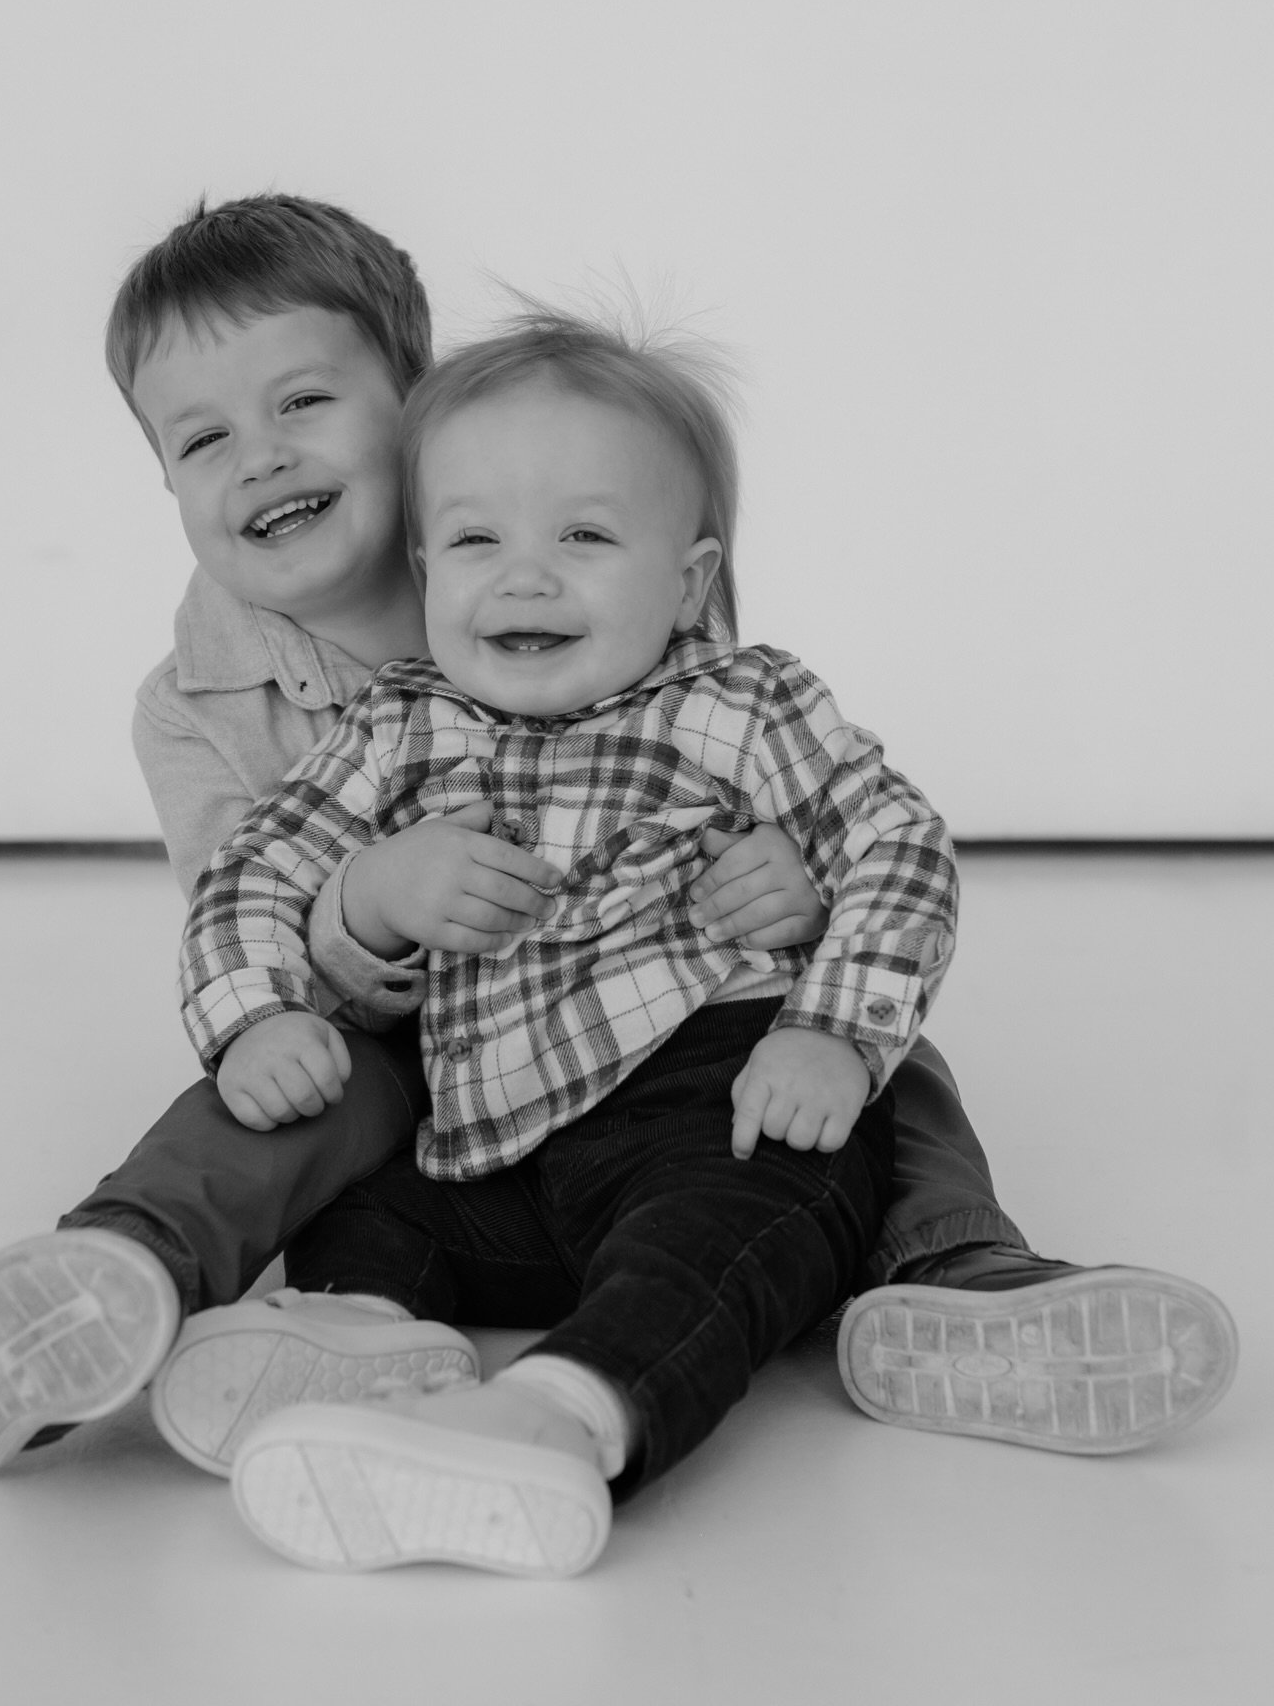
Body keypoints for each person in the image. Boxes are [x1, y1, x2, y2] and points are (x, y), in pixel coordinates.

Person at [0, 194, 1236, 1489]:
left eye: (303, 403)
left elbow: (800, 789)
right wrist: (365, 907)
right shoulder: (226, 709)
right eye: (203, 440)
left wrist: (801, 891)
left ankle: (953, 1271)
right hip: (412, 1048)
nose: (260, 456)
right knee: (293, 1105)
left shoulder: (593, 534)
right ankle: (128, 1274)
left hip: (676, 1017)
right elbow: (241, 900)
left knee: (866, 1063)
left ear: (418, 408)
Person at [178, 308, 951, 1575]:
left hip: (703, 1089)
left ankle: (560, 1415)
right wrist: (253, 1012)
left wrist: (831, 1032)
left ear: (687, 584)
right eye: (476, 540)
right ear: (427, 571)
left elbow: (898, 843)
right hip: (483, 1148)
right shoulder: (398, 726)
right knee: (369, 1194)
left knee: (757, 1208)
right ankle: (362, 1338)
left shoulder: (737, 703)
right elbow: (253, 868)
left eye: (584, 537)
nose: (524, 578)